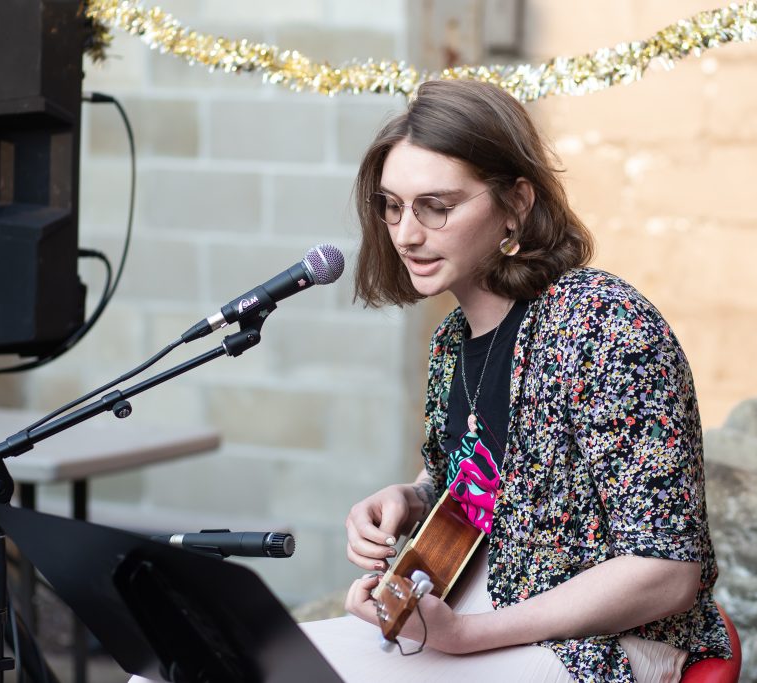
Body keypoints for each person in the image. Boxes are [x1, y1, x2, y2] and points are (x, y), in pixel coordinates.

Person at [300, 78, 731, 683]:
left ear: (516, 204)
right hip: (478, 618)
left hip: (603, 645)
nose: (406, 234)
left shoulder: (604, 322)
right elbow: (490, 475)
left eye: (437, 206)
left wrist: (465, 635)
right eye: (392, 205)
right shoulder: (453, 339)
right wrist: (416, 497)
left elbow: (666, 571)